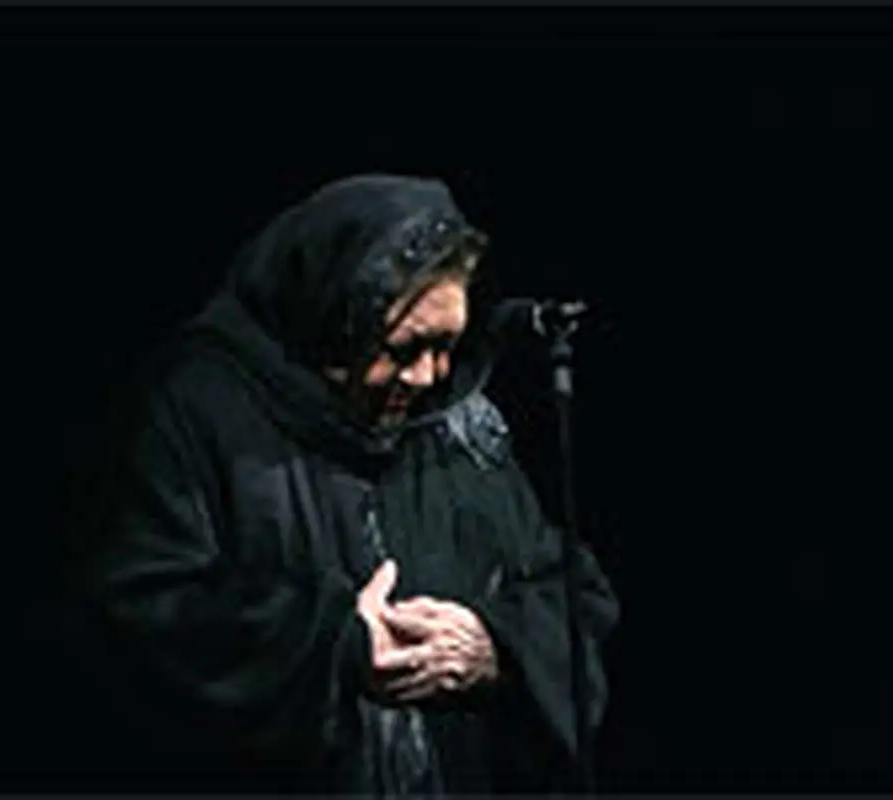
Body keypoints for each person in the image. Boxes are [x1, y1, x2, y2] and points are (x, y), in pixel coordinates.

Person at [62, 173, 621, 795]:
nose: (429, 376)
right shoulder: (199, 408)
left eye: (447, 346)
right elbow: (132, 618)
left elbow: (569, 592)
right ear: (334, 321)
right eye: (404, 348)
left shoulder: (452, 422)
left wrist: (499, 649)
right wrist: (335, 646)